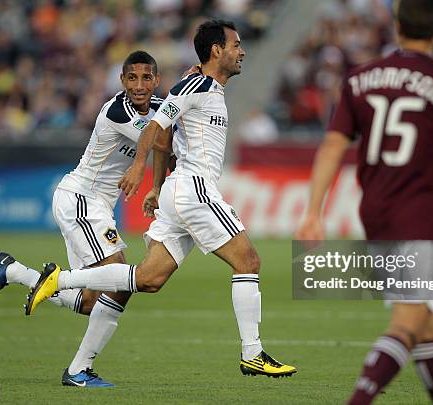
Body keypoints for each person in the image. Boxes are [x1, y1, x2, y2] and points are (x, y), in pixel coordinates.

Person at [25, 19, 297, 378]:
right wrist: (138, 168)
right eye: (235, 45)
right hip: (194, 189)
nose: (241, 51)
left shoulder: (204, 85)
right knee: (248, 262)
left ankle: (59, 281)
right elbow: (155, 128)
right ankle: (253, 353)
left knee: (149, 279)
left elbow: (166, 134)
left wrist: (155, 186)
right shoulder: (196, 85)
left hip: (176, 192)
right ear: (217, 50)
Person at [296, 0, 433, 403]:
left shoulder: (359, 78)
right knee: (409, 319)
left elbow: (333, 145)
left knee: (424, 322)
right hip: (419, 210)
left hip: (376, 210)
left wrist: (314, 211)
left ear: (397, 25)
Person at [0, 51, 169, 387]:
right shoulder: (117, 109)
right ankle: (78, 370)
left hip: (93, 205)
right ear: (123, 81)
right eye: (132, 78)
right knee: (121, 278)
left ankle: (12, 271)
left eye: (146, 78)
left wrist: (156, 186)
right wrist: (143, 162)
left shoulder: (157, 110)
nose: (139, 85)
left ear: (156, 80)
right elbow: (152, 138)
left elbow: (167, 142)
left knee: (92, 300)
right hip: (81, 200)